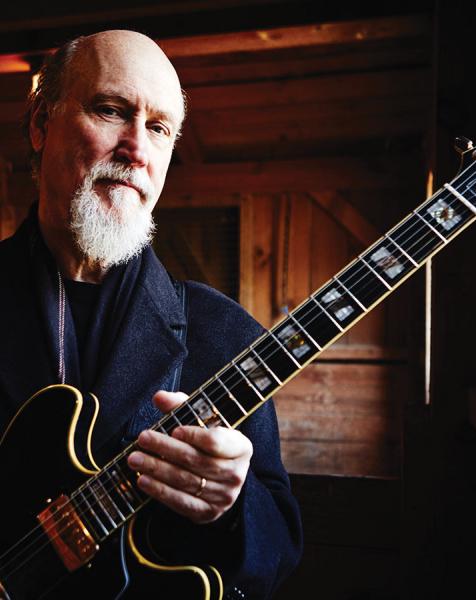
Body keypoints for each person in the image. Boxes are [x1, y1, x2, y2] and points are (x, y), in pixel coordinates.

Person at [0, 30, 302, 599]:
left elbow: (280, 551)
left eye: (160, 128)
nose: (137, 149)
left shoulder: (226, 332)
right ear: (41, 124)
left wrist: (231, 505)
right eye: (111, 111)